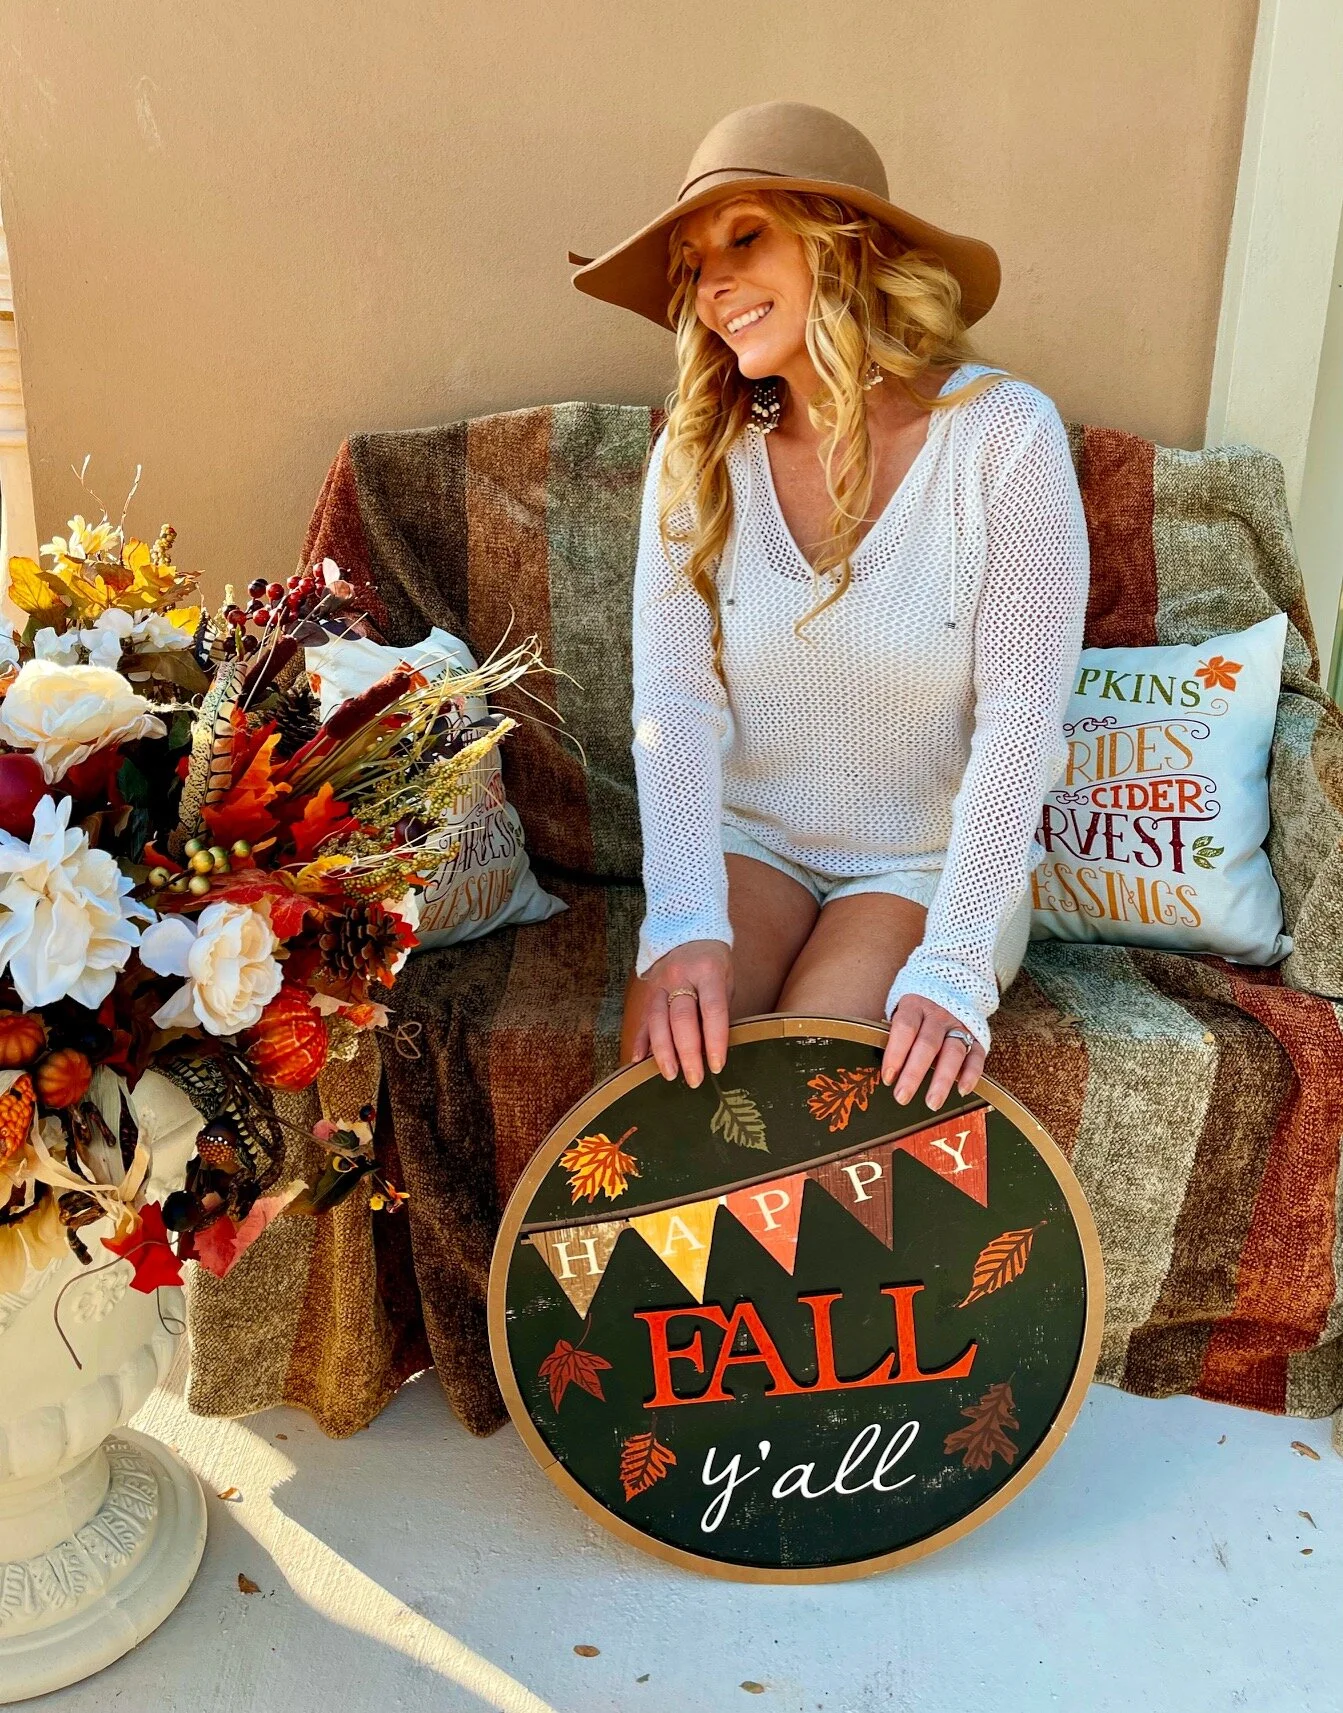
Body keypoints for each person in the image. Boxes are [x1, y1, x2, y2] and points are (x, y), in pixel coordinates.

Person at [568, 100, 1090, 1114]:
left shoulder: (1002, 439)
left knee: (809, 1114)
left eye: (745, 237)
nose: (712, 286)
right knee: (657, 1102)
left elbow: (1020, 725)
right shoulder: (700, 453)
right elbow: (673, 702)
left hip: (920, 863)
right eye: (694, 263)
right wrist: (683, 919)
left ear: (845, 246)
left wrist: (955, 957)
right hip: (750, 845)